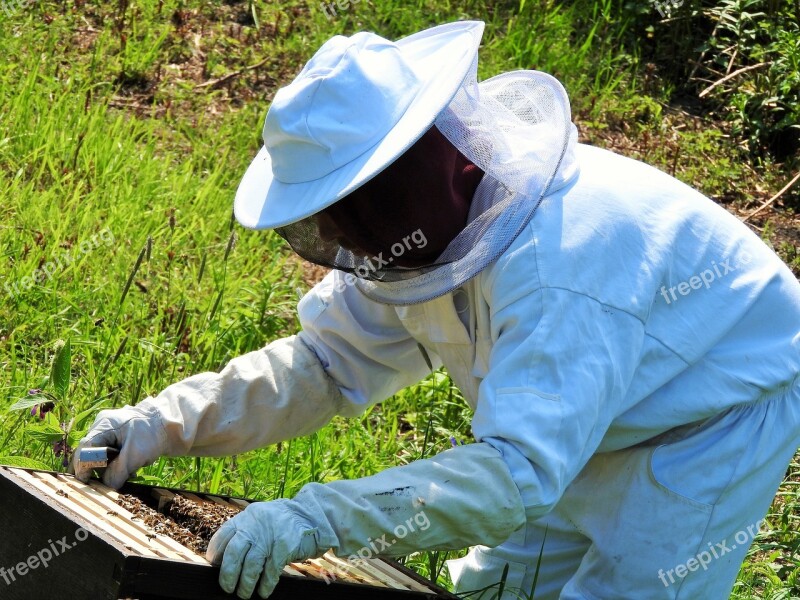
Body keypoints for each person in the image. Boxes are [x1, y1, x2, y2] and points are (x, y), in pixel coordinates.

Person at [73, 20, 800, 600]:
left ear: (437, 160)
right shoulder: (420, 237)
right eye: (332, 217)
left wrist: (318, 517)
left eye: (360, 207)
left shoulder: (562, 264)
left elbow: (516, 473)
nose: (344, 239)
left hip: (710, 417)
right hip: (601, 406)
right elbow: (324, 366)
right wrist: (158, 425)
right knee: (493, 592)